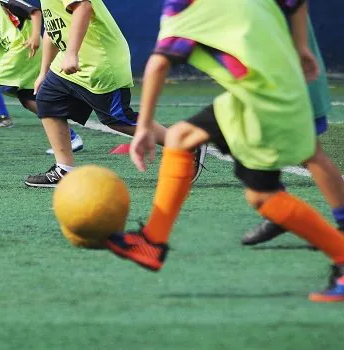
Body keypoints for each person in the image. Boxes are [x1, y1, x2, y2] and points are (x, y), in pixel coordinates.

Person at [106, 0, 344, 302]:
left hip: (265, 101)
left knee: (265, 196)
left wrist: (142, 129)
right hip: (267, 89)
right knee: (181, 136)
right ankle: (153, 240)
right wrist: (300, 47)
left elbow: (158, 63)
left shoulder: (181, 6)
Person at [25, 0, 207, 188]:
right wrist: (43, 72)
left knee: (118, 118)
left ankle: (185, 144)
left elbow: (83, 7)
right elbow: (53, 28)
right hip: (73, 60)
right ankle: (64, 169)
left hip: (100, 60)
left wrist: (72, 53)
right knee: (47, 99)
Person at [242, 17, 344, 245]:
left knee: (307, 150)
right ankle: (280, 211)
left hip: (288, 73)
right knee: (256, 142)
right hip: (261, 74)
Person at [0, 0, 83, 154]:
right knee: (28, 101)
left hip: (23, 50)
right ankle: (71, 138)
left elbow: (35, 12)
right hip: (22, 55)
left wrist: (34, 35)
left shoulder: (3, 1)